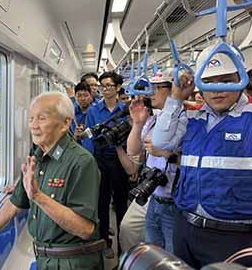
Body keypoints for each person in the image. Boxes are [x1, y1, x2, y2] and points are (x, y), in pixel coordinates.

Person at [0, 92, 104, 270]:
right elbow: (15, 203)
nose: (33, 126)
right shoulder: (36, 156)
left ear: (66, 123)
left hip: (73, 262)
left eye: (41, 118)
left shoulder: (81, 162)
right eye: (31, 119)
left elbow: (85, 229)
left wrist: (37, 196)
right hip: (45, 258)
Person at [152, 45, 252, 268]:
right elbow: (160, 141)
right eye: (209, 82)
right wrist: (176, 98)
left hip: (234, 235)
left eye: (226, 81)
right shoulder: (192, 118)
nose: (217, 89)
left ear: (241, 78)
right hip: (186, 226)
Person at [118, 69, 178, 253]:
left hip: (174, 199)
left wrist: (168, 155)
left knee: (170, 249)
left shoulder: (186, 119)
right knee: (128, 229)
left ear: (173, 89)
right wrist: (137, 123)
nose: (150, 93)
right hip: (151, 192)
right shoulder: (153, 119)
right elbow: (134, 151)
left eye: (156, 88)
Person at [83, 71, 129, 259]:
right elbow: (89, 139)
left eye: (109, 86)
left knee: (120, 205)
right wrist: (90, 164)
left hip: (120, 160)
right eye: (102, 86)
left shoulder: (125, 109)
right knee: (101, 204)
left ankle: (123, 247)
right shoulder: (94, 111)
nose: (104, 90)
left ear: (118, 88)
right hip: (100, 160)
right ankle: (105, 242)